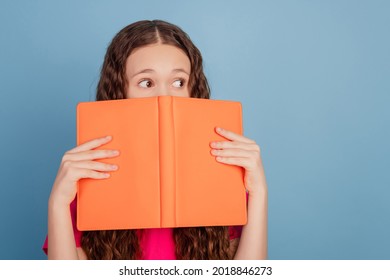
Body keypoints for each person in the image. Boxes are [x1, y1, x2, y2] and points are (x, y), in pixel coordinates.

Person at [43, 20, 268, 260]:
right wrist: (57, 203)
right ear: (120, 91)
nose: (165, 96)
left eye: (178, 82)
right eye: (146, 83)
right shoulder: (88, 177)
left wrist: (259, 193)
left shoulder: (223, 174)